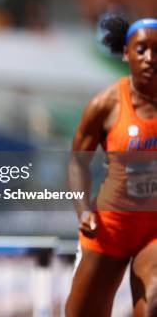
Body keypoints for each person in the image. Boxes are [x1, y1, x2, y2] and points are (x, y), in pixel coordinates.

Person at [66, 16, 157, 316]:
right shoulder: (106, 104)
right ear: (125, 53)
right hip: (110, 227)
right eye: (141, 49)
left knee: (153, 304)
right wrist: (83, 211)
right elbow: (78, 160)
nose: (150, 59)